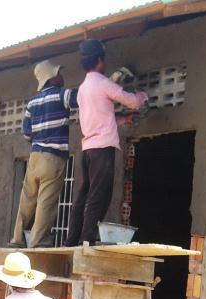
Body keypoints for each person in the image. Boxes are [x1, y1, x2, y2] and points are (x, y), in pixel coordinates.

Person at [65, 39, 148, 246]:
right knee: (98, 196)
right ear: (100, 60)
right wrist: (143, 96)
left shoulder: (84, 88)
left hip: (88, 149)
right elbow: (132, 101)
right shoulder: (103, 83)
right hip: (102, 150)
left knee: (84, 195)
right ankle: (87, 240)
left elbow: (101, 117)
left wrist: (123, 120)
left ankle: (72, 240)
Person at [10, 60, 78, 248]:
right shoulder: (61, 95)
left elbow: (26, 133)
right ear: (52, 77)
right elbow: (81, 98)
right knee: (46, 202)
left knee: (27, 200)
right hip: (53, 157)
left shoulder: (31, 103)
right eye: (58, 73)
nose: (61, 75)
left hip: (35, 156)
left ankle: (16, 239)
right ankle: (37, 242)